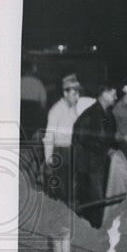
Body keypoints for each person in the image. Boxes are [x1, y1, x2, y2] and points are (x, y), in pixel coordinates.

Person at [71, 83, 119, 228]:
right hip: (90, 163)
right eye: (113, 93)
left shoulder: (108, 114)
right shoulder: (90, 114)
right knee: (95, 197)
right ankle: (94, 227)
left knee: (100, 195)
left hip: (100, 162)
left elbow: (108, 136)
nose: (116, 97)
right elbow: (82, 137)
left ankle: (97, 225)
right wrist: (105, 150)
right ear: (104, 93)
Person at [43, 74, 95, 203]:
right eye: (74, 94)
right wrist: (49, 162)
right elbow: (49, 137)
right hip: (61, 153)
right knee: (62, 192)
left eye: (78, 93)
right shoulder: (56, 111)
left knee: (73, 190)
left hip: (73, 152)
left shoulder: (75, 108)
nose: (77, 97)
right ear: (65, 93)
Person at [20, 58, 47, 138]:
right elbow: (43, 100)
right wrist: (42, 111)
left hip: (22, 110)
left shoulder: (19, 81)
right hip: (34, 111)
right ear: (32, 70)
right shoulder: (37, 82)